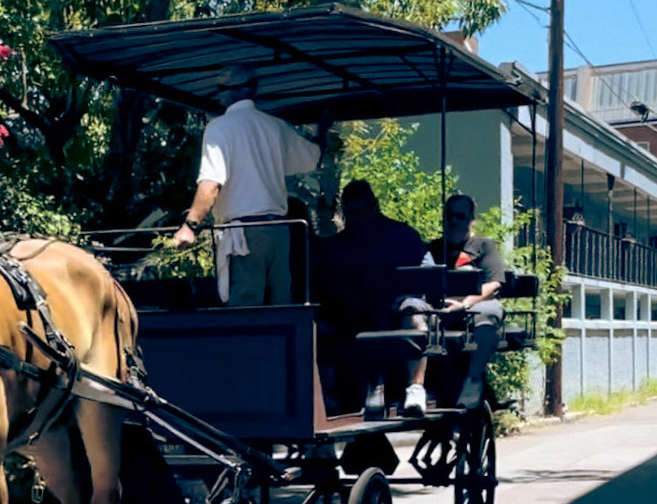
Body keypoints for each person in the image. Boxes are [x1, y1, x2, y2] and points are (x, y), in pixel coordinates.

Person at [173, 65, 327, 306]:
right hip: (280, 232)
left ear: (227, 92)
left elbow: (211, 184)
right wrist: (323, 128)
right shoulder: (274, 126)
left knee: (246, 308)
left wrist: (190, 226)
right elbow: (314, 157)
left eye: (221, 88)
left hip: (245, 234)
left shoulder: (219, 128)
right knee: (280, 306)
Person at [313, 180, 428, 416]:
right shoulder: (335, 247)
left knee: (415, 314)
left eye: (362, 212)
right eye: (352, 213)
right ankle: (324, 404)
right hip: (350, 318)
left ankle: (416, 388)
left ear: (374, 206)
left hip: (395, 312)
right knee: (310, 326)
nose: (359, 220)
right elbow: (320, 287)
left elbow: (426, 275)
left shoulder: (403, 236)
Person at [400, 193, 505, 416]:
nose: (454, 221)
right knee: (411, 309)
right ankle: (416, 387)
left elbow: (493, 283)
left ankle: (473, 381)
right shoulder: (433, 248)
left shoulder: (484, 246)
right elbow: (421, 280)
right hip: (438, 307)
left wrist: (465, 303)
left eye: (460, 216)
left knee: (487, 317)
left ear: (471, 219)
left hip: (475, 305)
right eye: (449, 216)